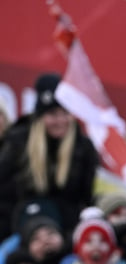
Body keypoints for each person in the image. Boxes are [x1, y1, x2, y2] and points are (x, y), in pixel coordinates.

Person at [0, 72, 98, 242]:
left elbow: (86, 198)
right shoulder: (18, 141)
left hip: (65, 234)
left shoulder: (83, 148)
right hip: (18, 233)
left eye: (65, 113)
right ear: (40, 116)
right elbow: (4, 195)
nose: (60, 120)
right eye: (53, 114)